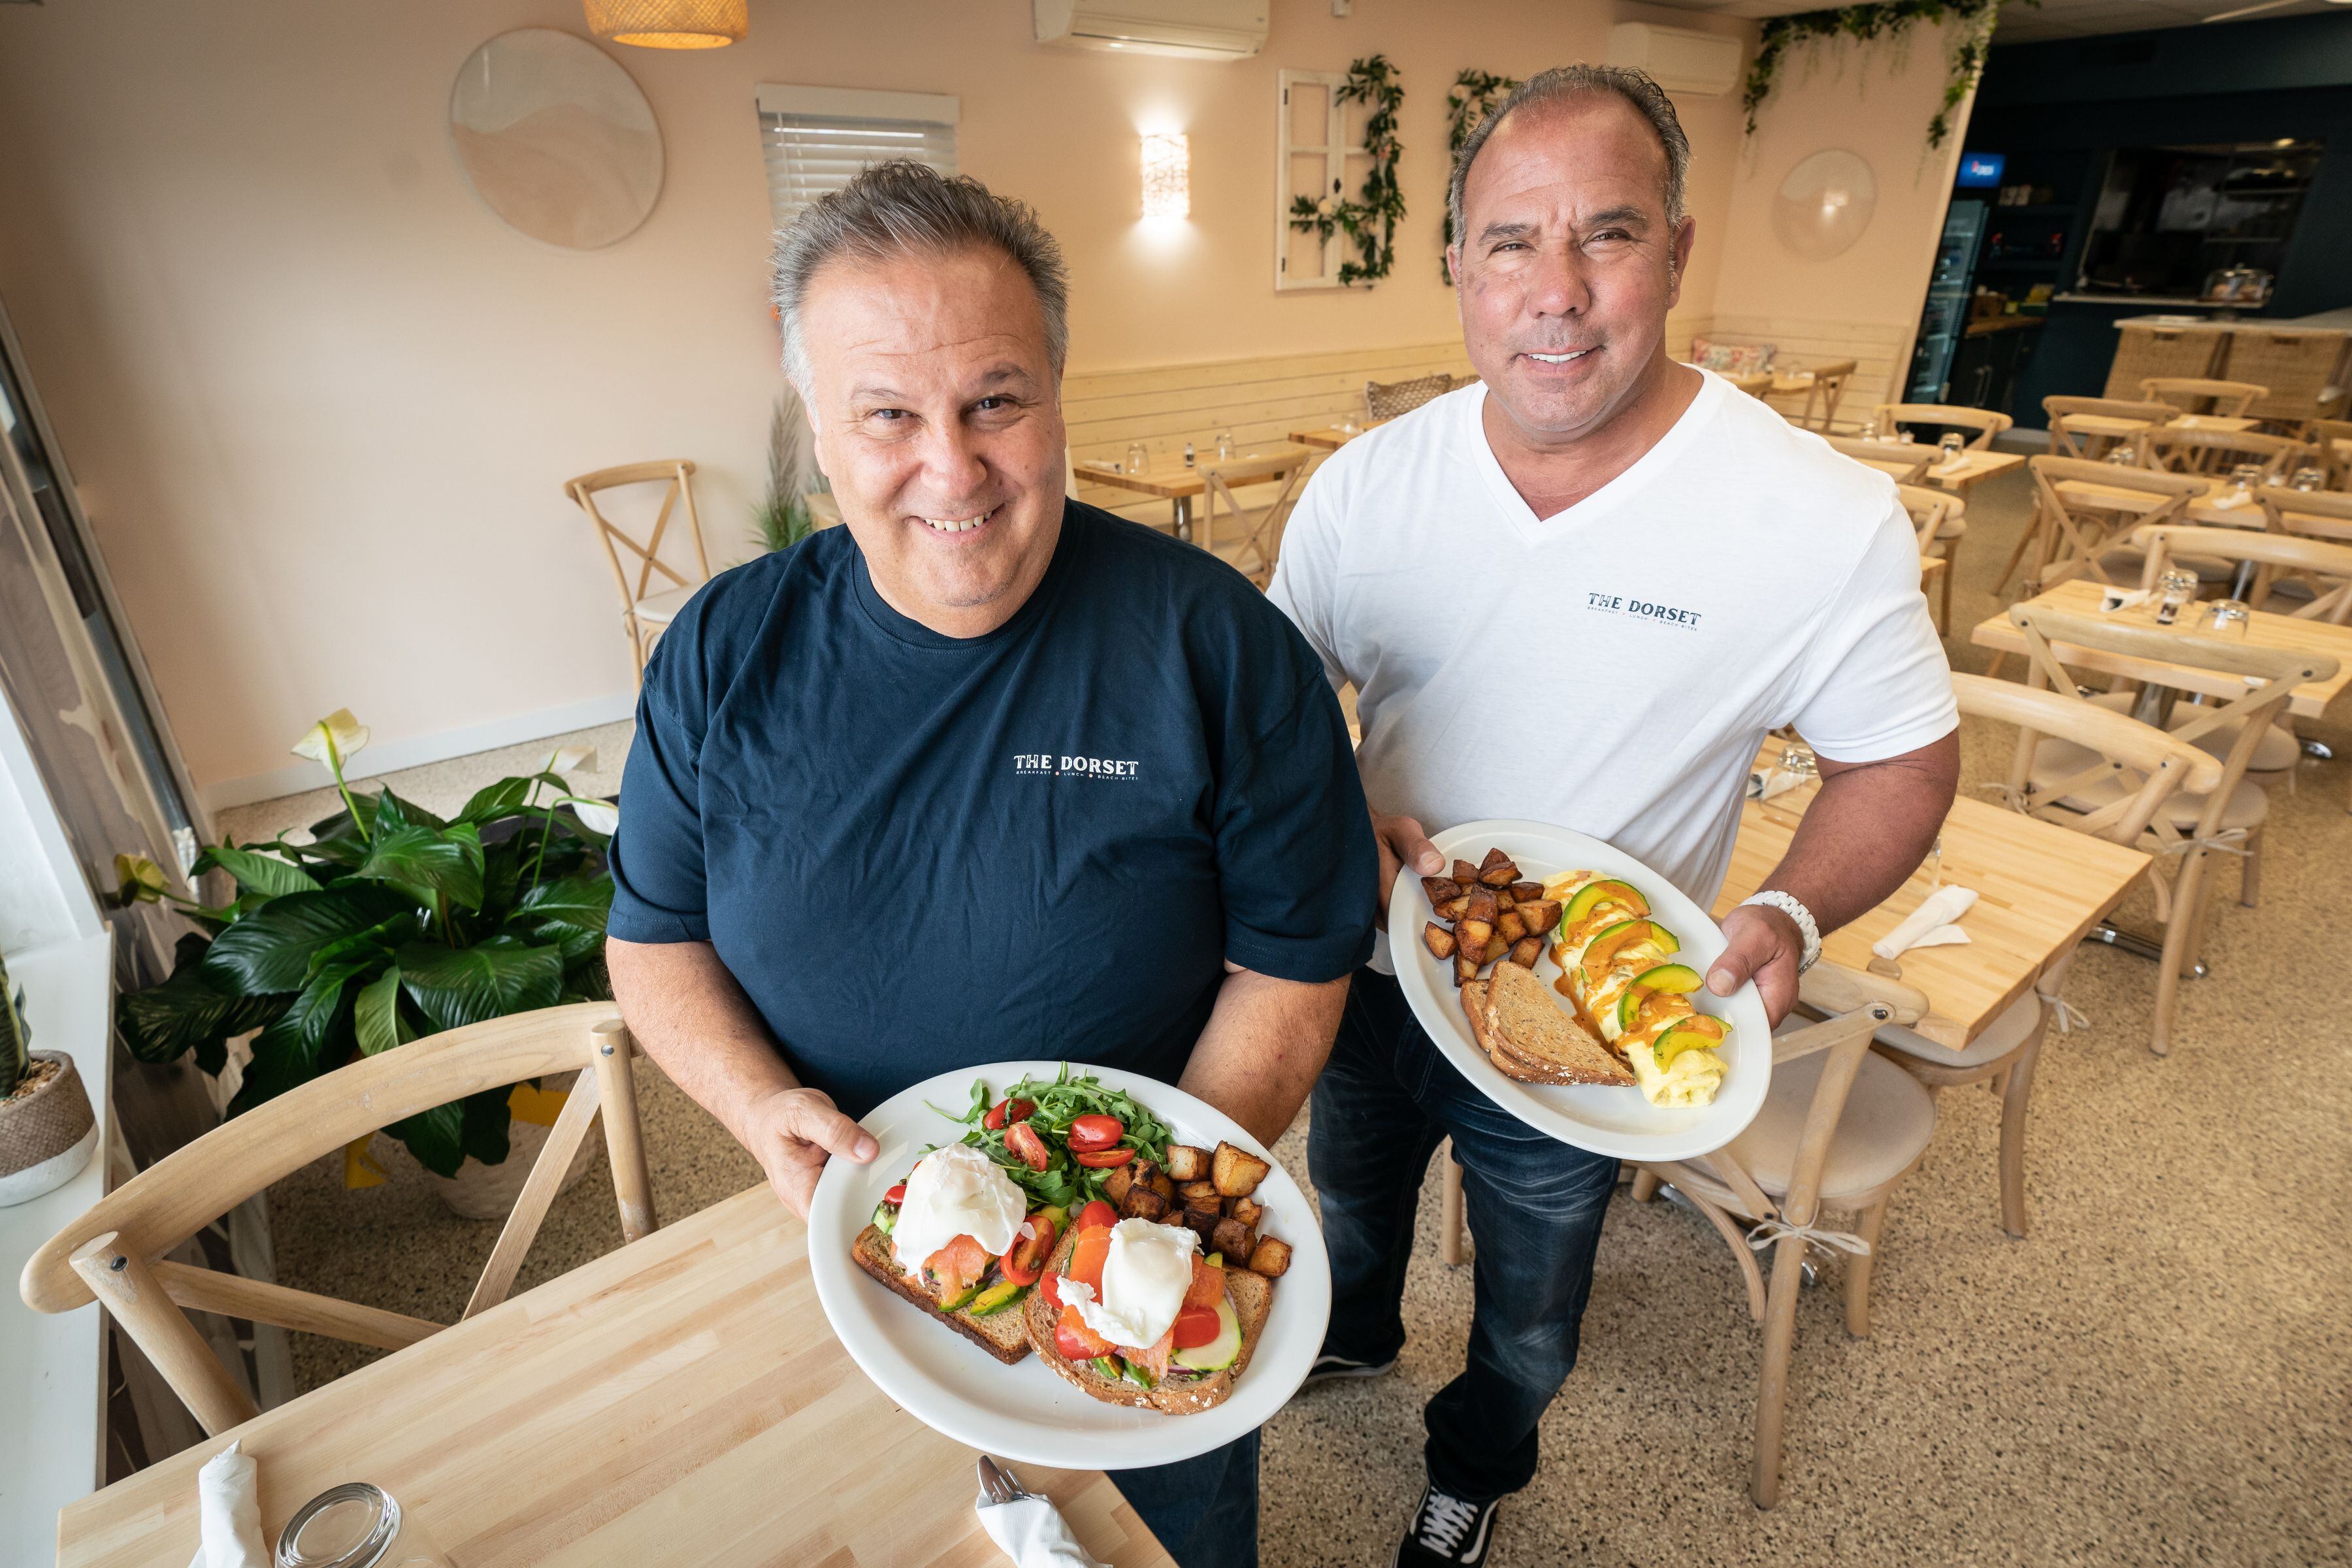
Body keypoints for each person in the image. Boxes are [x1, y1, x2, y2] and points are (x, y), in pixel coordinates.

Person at [602, 161, 1378, 1568]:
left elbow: (1295, 963)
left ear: (1060, 395)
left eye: (996, 401)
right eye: (888, 415)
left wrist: (1138, 1232)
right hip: (843, 1248)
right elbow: (654, 938)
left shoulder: (1221, 648)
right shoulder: (721, 651)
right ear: (819, 431)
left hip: (1141, 1257)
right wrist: (759, 1106)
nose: (952, 471)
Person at [1266, 65, 1960, 1567]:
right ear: (1458, 264)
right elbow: (1276, 714)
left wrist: (1793, 907)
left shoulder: (1815, 516)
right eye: (1512, 242)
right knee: (1351, 1204)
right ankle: (1356, 1331)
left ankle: (1476, 1466)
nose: (1557, 293)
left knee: (1530, 1312)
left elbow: (1902, 761)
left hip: (1591, 1020)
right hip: (1372, 967)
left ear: (1680, 252)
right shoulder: (1364, 489)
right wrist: (1322, 814)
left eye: (1610, 235)